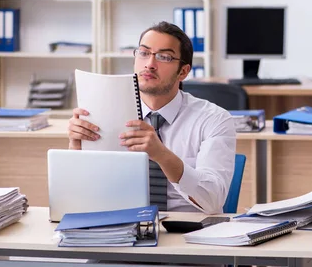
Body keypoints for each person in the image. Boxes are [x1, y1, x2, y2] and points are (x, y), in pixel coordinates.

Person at [67, 21, 236, 214]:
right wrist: (76, 149)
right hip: (120, 226)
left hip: (187, 230)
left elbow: (214, 200)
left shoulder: (214, 120)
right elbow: (80, 196)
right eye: (144, 53)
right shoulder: (104, 111)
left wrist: (162, 155)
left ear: (183, 71)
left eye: (164, 57)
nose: (150, 64)